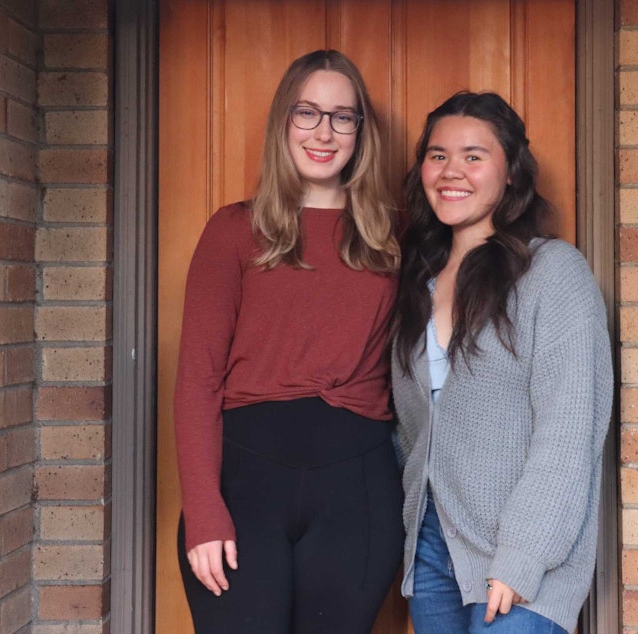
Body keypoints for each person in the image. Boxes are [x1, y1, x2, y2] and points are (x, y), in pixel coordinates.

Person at [174, 49, 404, 634]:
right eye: (307, 112)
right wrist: (202, 510)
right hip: (245, 488)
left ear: (361, 131)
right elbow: (198, 380)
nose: (324, 132)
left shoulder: (392, 238)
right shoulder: (233, 230)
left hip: (359, 493)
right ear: (283, 121)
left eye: (342, 116)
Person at [390, 92, 613, 634]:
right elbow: (409, 430)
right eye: (438, 155)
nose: (452, 171)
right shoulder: (416, 282)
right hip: (432, 554)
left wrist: (522, 557)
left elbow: (567, 431)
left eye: (473, 155)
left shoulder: (552, 272)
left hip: (524, 562)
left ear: (511, 172)